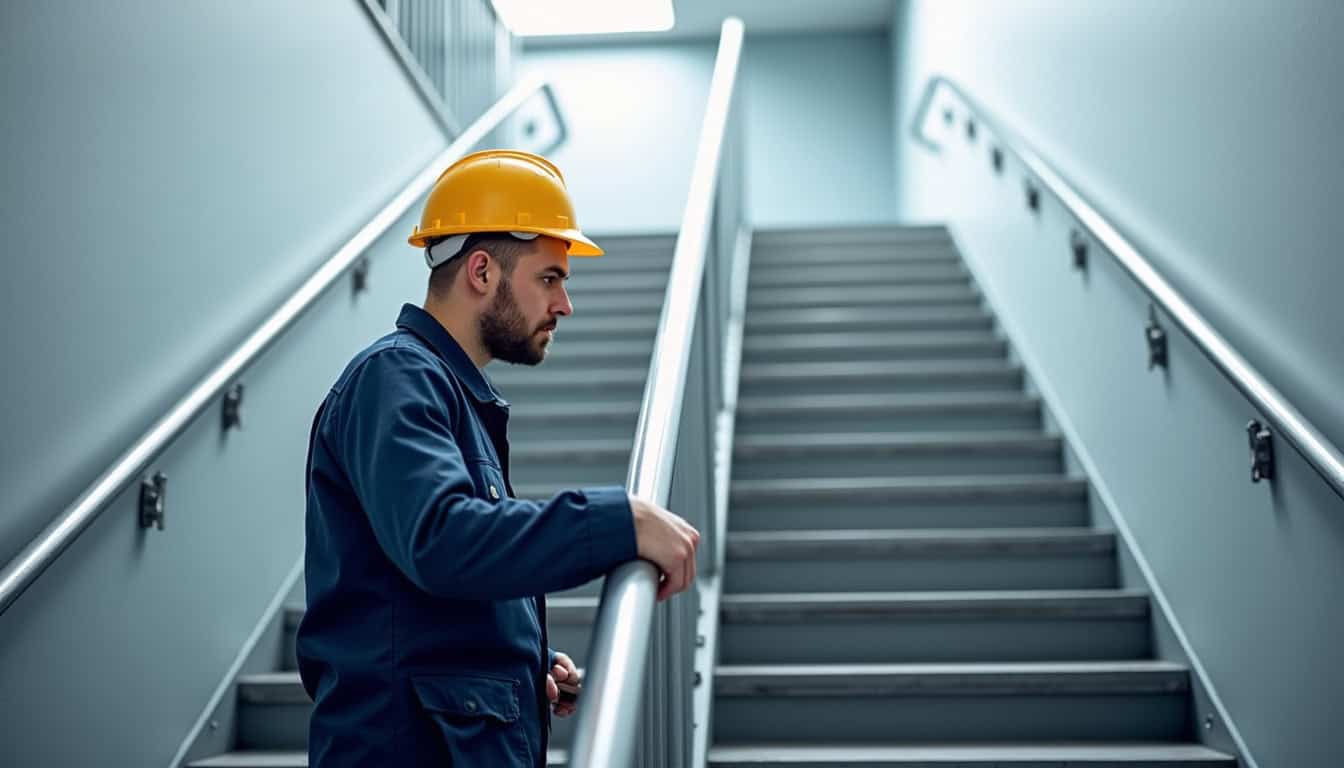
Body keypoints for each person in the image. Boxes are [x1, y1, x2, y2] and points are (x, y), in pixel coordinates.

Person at [297, 149, 700, 767]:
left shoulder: (448, 393)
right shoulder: (396, 376)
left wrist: (516, 661)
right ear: (481, 271)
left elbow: (414, 589)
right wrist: (621, 520)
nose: (564, 304)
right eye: (549, 277)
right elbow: (442, 538)